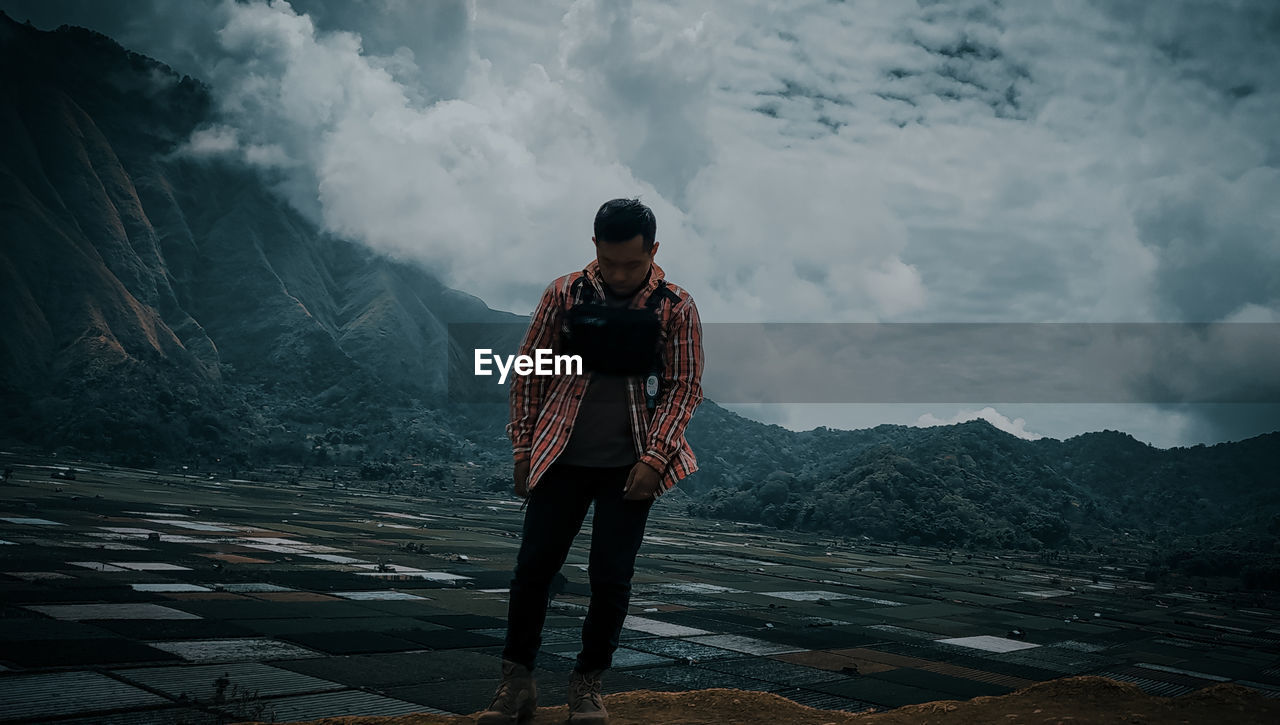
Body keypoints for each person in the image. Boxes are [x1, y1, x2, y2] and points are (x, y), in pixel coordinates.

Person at [479, 198, 704, 724]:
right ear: (595, 248)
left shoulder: (676, 306)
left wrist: (655, 459)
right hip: (560, 455)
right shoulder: (565, 293)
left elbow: (683, 388)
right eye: (609, 263)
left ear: (653, 251)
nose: (620, 274)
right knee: (533, 572)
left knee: (610, 577)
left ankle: (587, 687)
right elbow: (529, 375)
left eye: (632, 263)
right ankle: (516, 686)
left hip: (631, 465)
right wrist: (522, 448)